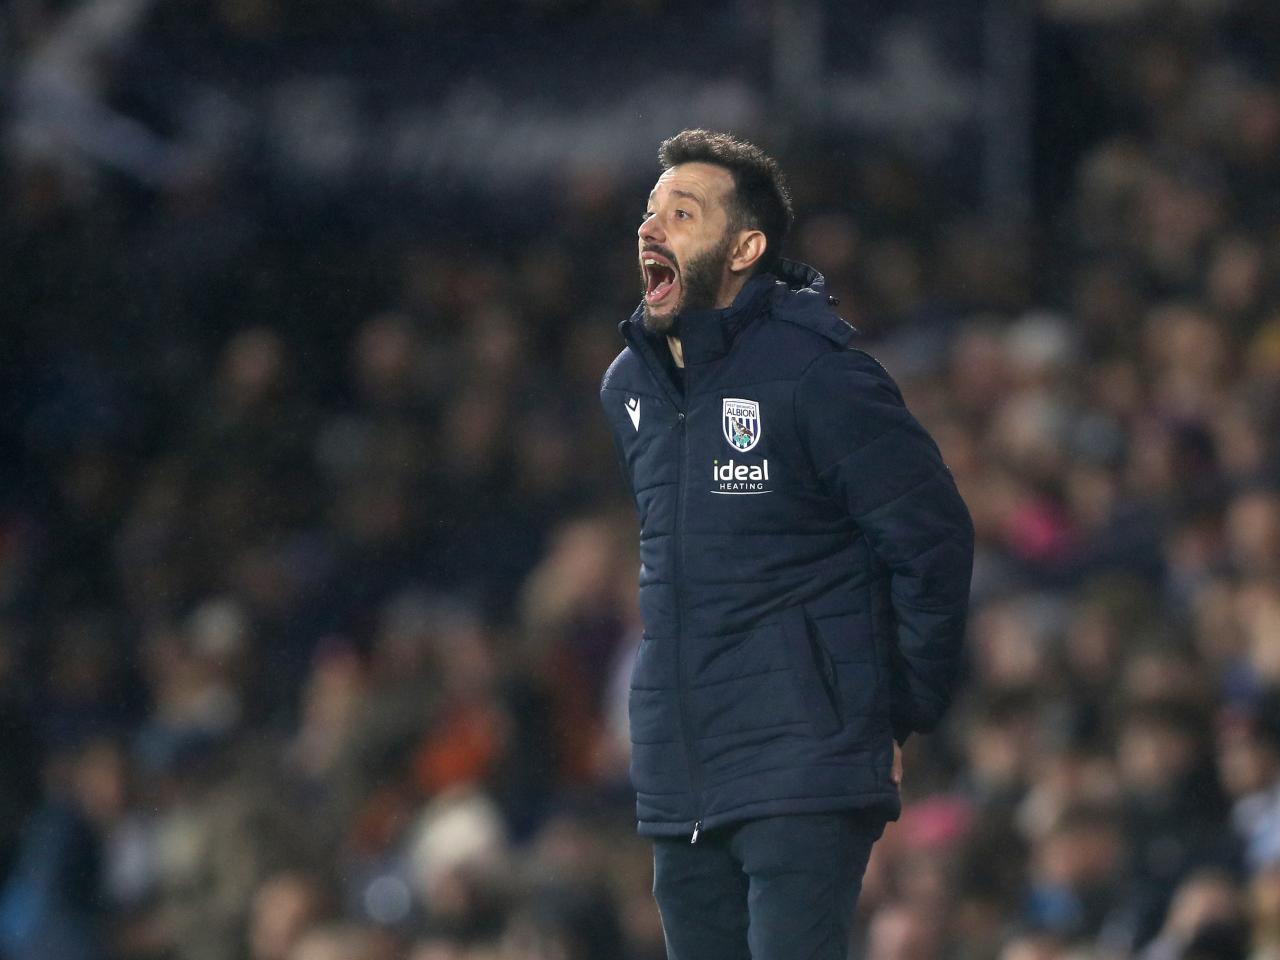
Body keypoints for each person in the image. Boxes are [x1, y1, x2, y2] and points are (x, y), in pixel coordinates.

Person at [599, 129, 974, 959]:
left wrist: (895, 711)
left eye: (682, 213)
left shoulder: (819, 375)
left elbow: (934, 540)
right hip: (682, 772)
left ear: (745, 248)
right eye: (650, 211)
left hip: (805, 762)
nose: (651, 228)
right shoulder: (629, 388)